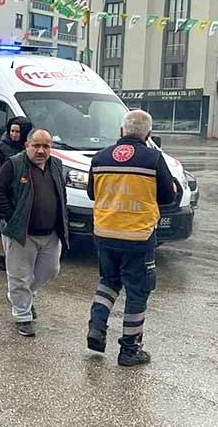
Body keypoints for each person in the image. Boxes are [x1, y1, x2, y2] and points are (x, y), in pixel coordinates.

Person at [86, 110, 176, 366]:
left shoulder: (100, 157)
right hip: (138, 236)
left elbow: (92, 193)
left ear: (121, 131)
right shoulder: (153, 157)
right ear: (148, 134)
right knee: (138, 291)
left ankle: (96, 327)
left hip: (105, 233)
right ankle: (130, 349)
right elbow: (168, 197)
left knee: (108, 282)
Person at [0, 128, 68, 337]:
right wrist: (12, 216)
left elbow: (61, 193)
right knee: (19, 276)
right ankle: (23, 316)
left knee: (51, 270)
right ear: (27, 146)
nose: (41, 150)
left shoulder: (56, 165)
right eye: (37, 145)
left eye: (46, 146)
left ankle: (22, 297)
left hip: (50, 233)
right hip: (21, 233)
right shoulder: (14, 165)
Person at [0, 116, 33, 270]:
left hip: (23, 190)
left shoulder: (29, 147)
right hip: (6, 190)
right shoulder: (1, 147)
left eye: (17, 132)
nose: (14, 135)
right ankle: (1, 255)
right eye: (12, 131)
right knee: (1, 222)